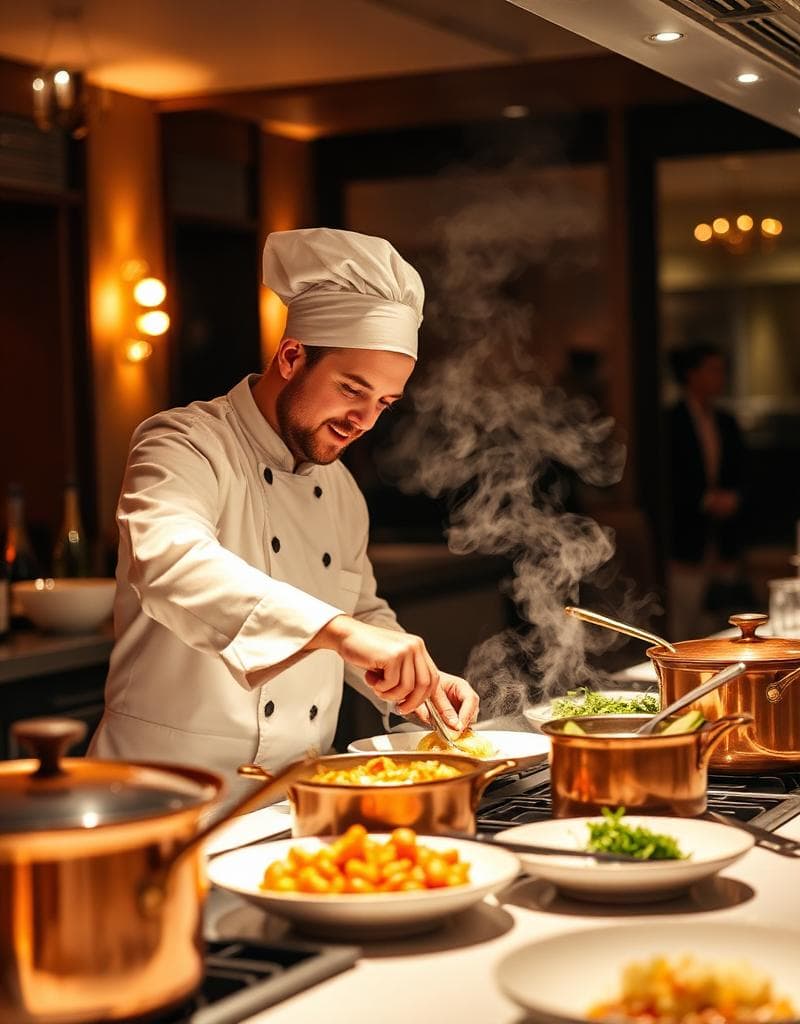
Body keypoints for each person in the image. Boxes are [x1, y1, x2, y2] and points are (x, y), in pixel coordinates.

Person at [89, 228, 479, 784]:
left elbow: (359, 611)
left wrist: (419, 686)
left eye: (384, 403)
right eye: (352, 390)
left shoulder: (340, 489)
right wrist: (340, 631)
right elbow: (171, 564)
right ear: (292, 356)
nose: (364, 421)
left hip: (292, 791)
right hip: (163, 790)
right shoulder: (182, 443)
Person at [665, 342, 747, 639]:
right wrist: (704, 500)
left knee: (721, 623)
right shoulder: (671, 421)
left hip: (724, 535)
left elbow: (743, 471)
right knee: (684, 625)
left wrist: (733, 498)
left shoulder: (726, 421)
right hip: (686, 535)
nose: (720, 377)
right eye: (713, 370)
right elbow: (666, 478)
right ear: (692, 374)